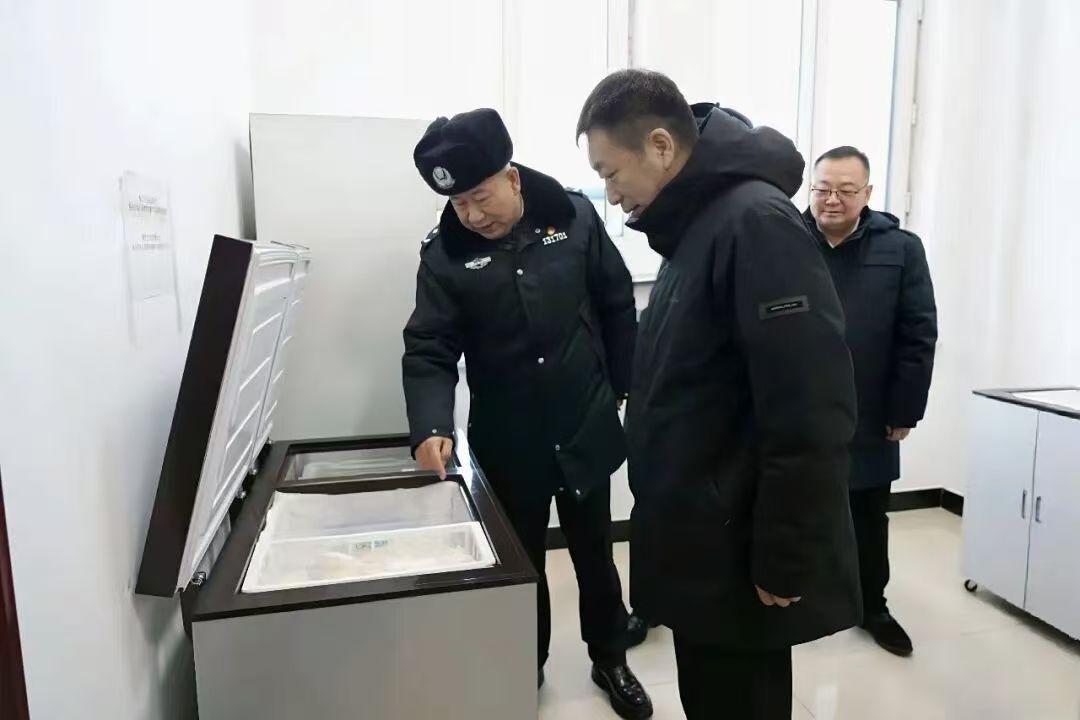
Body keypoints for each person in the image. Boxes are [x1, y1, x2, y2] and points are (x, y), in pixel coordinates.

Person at [576, 69, 861, 720]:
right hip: (704, 541)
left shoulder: (753, 223)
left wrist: (785, 556)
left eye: (611, 172)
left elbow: (809, 408)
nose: (610, 193)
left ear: (660, 146)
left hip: (739, 549)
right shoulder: (697, 226)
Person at [403, 108, 653, 719]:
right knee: (522, 565)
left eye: (480, 197)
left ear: (511, 178)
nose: (472, 215)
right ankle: (526, 663)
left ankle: (610, 656)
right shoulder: (444, 255)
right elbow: (429, 346)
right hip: (509, 439)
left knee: (596, 553)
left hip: (583, 423)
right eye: (458, 203)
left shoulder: (575, 218)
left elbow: (616, 302)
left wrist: (624, 386)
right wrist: (431, 425)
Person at [806, 146, 938, 657]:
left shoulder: (900, 248)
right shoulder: (786, 238)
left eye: (845, 190)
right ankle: (797, 597)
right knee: (794, 506)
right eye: (823, 189)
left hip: (870, 408)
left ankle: (872, 606)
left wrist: (905, 409)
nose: (832, 200)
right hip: (798, 408)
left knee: (866, 512)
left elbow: (918, 332)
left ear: (867, 194)